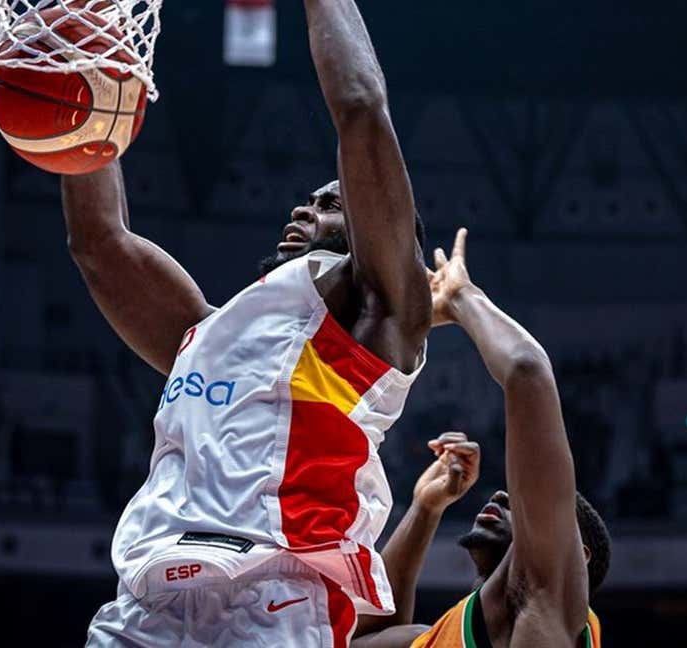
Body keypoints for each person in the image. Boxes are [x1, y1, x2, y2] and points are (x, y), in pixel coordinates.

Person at [65, 1, 430, 646]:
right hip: (143, 610)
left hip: (272, 603)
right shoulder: (205, 333)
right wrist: (82, 70)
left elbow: (361, 110)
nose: (304, 207)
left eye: (330, 205)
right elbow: (99, 243)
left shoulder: (378, 319)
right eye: (309, 200)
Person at [353, 229, 610, 648]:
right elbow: (367, 638)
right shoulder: (441, 637)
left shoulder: (550, 612)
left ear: (574, 557)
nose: (506, 498)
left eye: (530, 512)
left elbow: (528, 371)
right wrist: (425, 507)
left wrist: (462, 297)